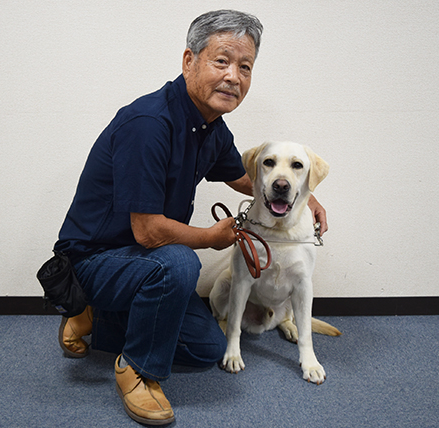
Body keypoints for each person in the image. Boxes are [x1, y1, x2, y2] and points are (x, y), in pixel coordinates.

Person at [53, 9, 327, 426]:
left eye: (245, 67)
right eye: (222, 61)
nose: (234, 76)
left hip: (139, 259)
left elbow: (246, 179)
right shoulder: (149, 123)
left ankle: (96, 315)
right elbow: (147, 232)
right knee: (180, 261)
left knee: (206, 348)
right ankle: (137, 371)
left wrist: (302, 198)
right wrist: (210, 237)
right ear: (188, 61)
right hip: (94, 258)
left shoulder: (211, 126)